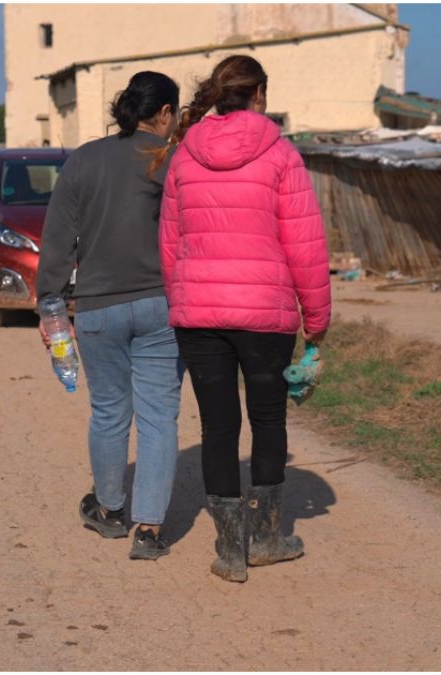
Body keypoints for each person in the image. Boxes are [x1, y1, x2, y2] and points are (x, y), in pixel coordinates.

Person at [155, 55, 331, 582]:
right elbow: (305, 245)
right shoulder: (281, 155)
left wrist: (183, 298)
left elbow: (170, 244)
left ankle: (231, 550)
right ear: (260, 95)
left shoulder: (184, 155)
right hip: (264, 315)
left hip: (198, 314)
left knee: (217, 426)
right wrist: (316, 321)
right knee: (268, 419)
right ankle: (269, 538)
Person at [35, 72, 183, 560]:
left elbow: (58, 240)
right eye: (175, 114)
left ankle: (110, 510)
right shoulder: (169, 159)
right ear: (164, 113)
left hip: (98, 308)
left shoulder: (84, 160)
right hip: (162, 305)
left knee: (109, 412)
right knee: (159, 417)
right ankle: (148, 531)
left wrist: (51, 304)